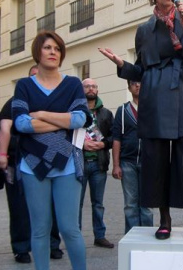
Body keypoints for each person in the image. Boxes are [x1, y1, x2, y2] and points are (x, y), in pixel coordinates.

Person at [99, 0, 183, 240]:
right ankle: (165, 220)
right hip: (155, 97)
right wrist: (122, 65)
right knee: (156, 159)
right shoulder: (143, 30)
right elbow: (141, 70)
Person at [12, 31, 91, 270]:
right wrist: (62, 121)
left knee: (70, 229)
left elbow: (80, 119)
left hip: (67, 162)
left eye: (57, 48)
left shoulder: (72, 84)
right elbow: (21, 123)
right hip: (32, 164)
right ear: (38, 52)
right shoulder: (24, 85)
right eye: (48, 48)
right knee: (40, 229)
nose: (53, 52)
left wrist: (43, 115)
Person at [0, 65, 65, 264]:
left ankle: (52, 244)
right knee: (19, 207)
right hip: (19, 161)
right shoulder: (14, 103)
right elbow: (4, 129)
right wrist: (2, 154)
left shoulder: (57, 102)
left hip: (50, 160)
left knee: (52, 205)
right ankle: (21, 248)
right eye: (34, 77)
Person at [112, 80, 154, 234]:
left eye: (141, 82)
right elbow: (116, 138)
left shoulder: (152, 109)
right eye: (134, 83)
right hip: (127, 162)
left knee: (147, 203)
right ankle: (132, 236)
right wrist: (116, 165)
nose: (138, 85)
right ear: (129, 87)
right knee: (130, 204)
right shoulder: (122, 110)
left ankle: (148, 236)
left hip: (148, 162)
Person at [79, 78, 115, 248]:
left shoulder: (106, 113)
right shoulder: (75, 111)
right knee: (76, 204)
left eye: (93, 86)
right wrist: (81, 143)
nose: (91, 89)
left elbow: (113, 137)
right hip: (78, 164)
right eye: (87, 86)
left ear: (97, 89)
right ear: (82, 89)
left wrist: (103, 144)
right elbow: (67, 135)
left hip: (99, 165)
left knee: (98, 204)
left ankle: (99, 236)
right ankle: (76, 238)